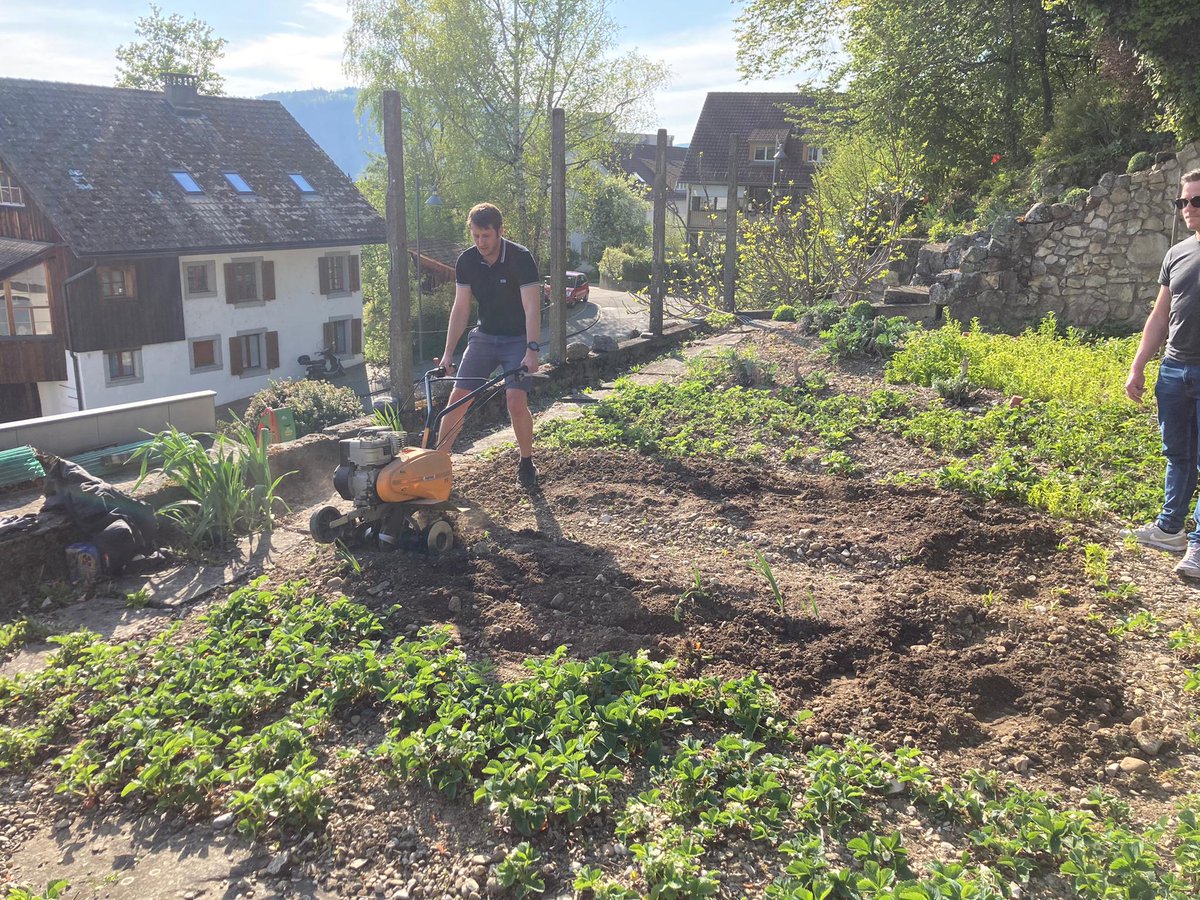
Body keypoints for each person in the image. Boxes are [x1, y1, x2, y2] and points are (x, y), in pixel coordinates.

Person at [435, 202, 543, 488]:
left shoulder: (521, 258)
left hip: (517, 339)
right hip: (484, 337)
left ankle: (526, 461)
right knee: (457, 398)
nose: (481, 242)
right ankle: (437, 467)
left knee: (515, 401)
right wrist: (447, 354)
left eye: (486, 236)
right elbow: (460, 309)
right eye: (476, 236)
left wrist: (532, 349)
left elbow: (532, 308)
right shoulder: (467, 262)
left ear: (500, 232)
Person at [1125, 169, 1200, 576]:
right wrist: (1138, 366)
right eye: (1183, 202)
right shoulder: (1177, 253)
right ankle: (1170, 529)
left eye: (1196, 201)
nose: (1188, 209)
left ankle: (1199, 543)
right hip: (1173, 370)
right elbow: (1159, 315)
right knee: (1178, 454)